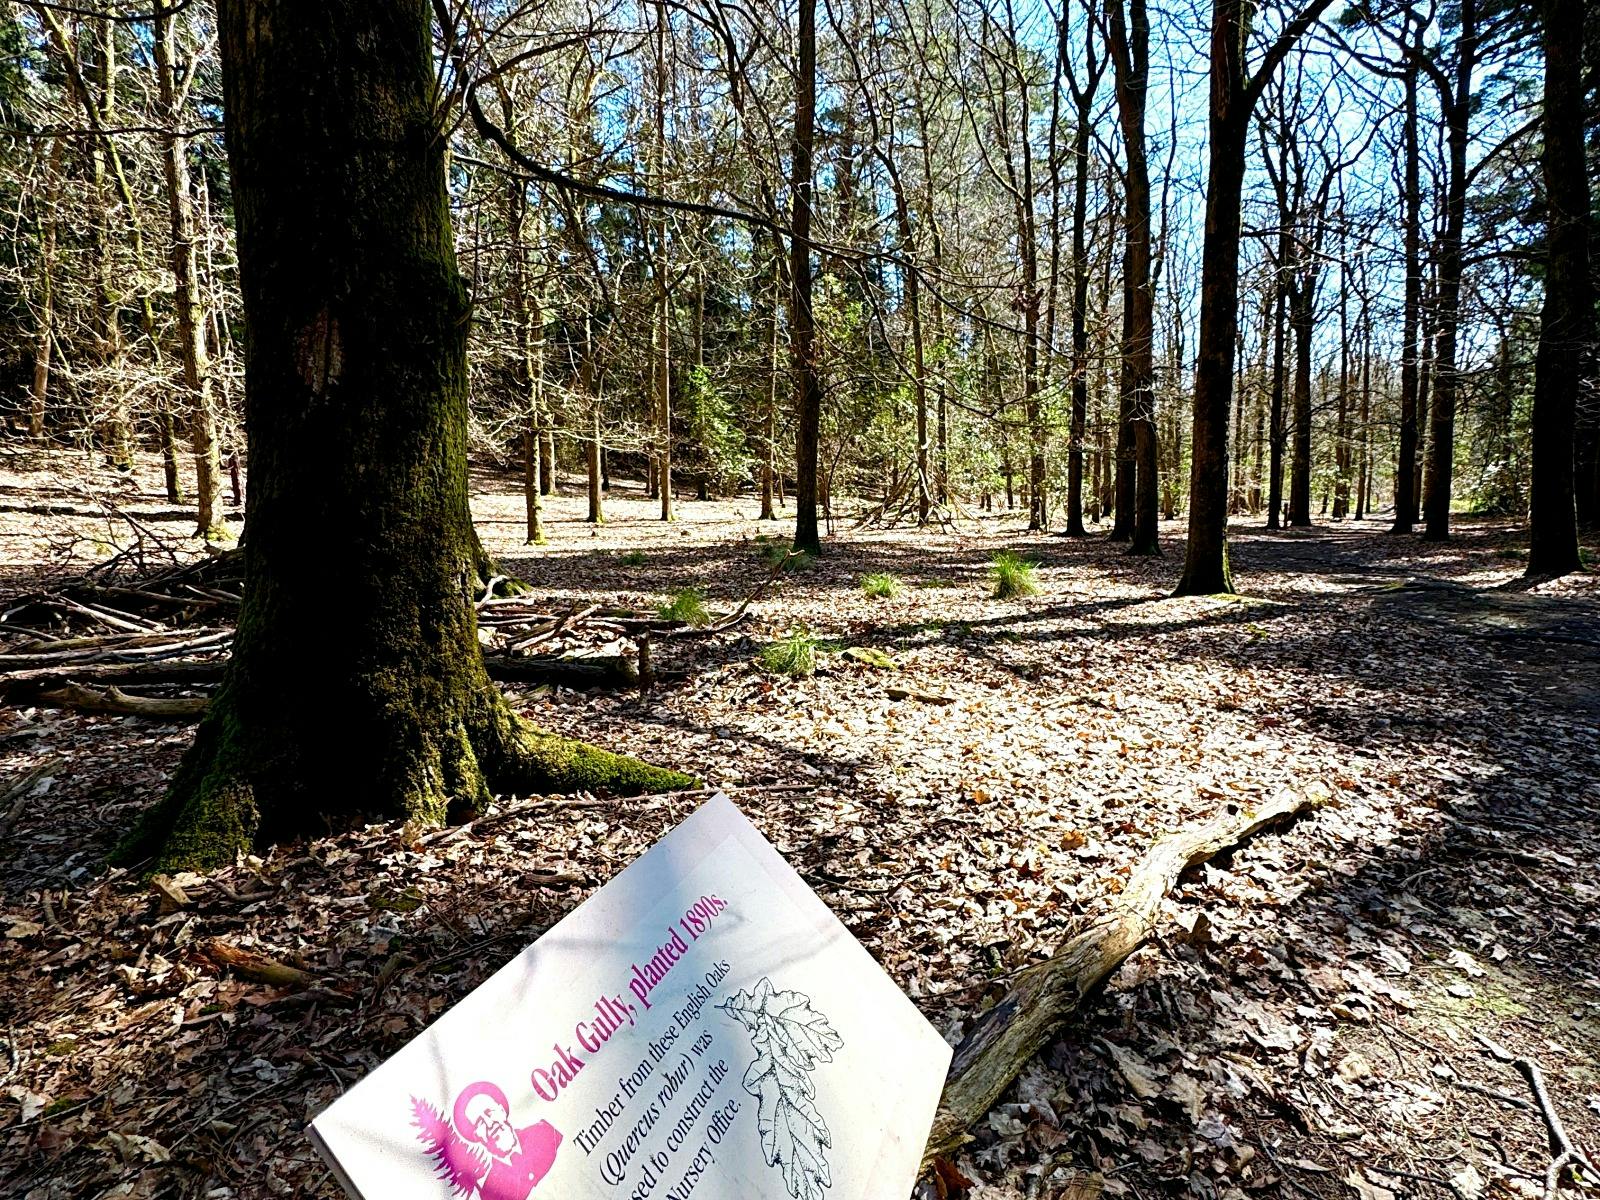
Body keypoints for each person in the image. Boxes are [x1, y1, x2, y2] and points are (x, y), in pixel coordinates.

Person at [451, 1082, 561, 1200]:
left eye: (489, 1112)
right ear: (477, 1135)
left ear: (502, 1110)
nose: (489, 1124)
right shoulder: (490, 1194)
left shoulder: (544, 1132)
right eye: (480, 1122)